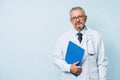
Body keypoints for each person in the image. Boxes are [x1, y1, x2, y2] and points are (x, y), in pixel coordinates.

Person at [52, 6, 108, 80]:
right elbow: (56, 58)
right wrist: (69, 68)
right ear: (71, 21)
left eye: (80, 16)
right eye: (74, 18)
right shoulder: (63, 38)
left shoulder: (96, 36)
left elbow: (102, 62)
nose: (77, 20)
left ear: (85, 18)